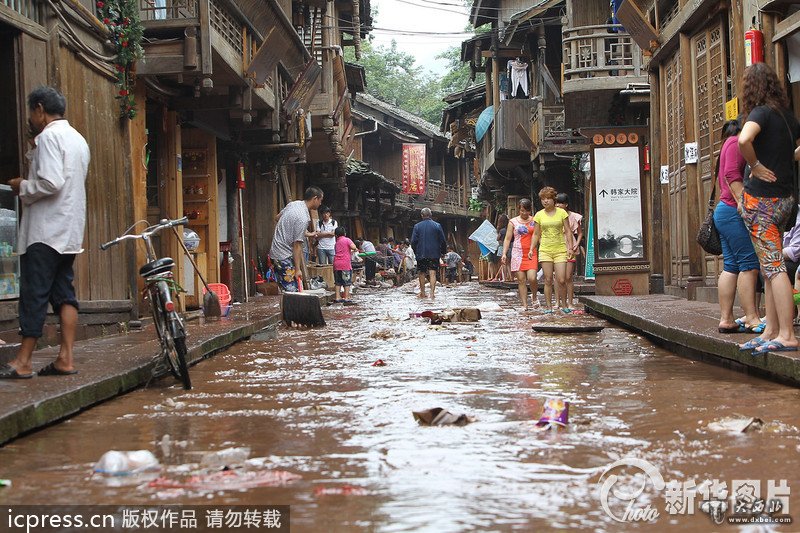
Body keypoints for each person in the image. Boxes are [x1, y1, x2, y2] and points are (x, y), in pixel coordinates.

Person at [2, 87, 90, 379]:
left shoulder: (50, 137)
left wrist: (21, 186)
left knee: (34, 295)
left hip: (45, 232)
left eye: (31, 112)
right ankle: (65, 358)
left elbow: (51, 181)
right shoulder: (77, 139)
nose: (30, 117)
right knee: (64, 294)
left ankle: (23, 361)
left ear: (39, 109)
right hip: (68, 231)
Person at [737, 63, 800, 354]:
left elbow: (743, 139)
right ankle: (771, 331)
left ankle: (786, 333)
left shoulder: (760, 113)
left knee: (774, 269)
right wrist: (786, 159)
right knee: (770, 267)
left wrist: (756, 165)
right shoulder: (787, 117)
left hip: (762, 201)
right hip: (786, 200)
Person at [712, 119, 762, 335]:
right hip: (733, 211)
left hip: (725, 211)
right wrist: (745, 206)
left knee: (732, 265)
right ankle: (751, 317)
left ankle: (726, 319)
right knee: (749, 263)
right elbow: (732, 174)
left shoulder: (727, 144)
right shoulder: (735, 143)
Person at [269, 187, 323, 292]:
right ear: (315, 198)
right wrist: (298, 269)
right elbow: (297, 246)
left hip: (276, 251)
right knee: (291, 290)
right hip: (283, 255)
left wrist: (307, 233)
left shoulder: (293, 204)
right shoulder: (303, 218)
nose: (320, 203)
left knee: (285, 288)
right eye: (320, 200)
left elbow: (277, 218)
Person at [530, 187, 574, 311]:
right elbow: (536, 234)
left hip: (560, 249)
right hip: (545, 250)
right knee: (548, 279)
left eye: (548, 198)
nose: (545, 201)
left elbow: (568, 231)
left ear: (553, 199)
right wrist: (531, 249)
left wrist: (570, 248)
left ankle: (564, 305)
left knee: (561, 279)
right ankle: (549, 307)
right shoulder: (539, 215)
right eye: (543, 199)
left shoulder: (562, 213)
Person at [501, 198, 539, 309]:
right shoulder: (513, 222)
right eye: (522, 210)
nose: (524, 213)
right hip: (517, 252)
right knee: (521, 280)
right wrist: (504, 253)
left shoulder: (535, 220)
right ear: (519, 209)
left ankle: (534, 296)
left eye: (526, 211)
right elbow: (507, 239)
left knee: (532, 278)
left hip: (531, 252)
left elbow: (537, 235)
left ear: (529, 210)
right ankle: (525, 304)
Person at [411, 207, 446, 298]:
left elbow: (413, 241)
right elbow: (442, 240)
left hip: (421, 253)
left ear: (422, 216)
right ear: (431, 215)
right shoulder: (437, 226)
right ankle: (432, 293)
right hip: (434, 253)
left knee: (421, 273)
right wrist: (443, 252)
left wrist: (416, 252)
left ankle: (422, 293)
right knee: (432, 273)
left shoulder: (417, 226)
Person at [556, 193, 583, 308]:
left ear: (566, 204)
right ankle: (558, 301)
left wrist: (576, 244)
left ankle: (570, 302)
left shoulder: (574, 217)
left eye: (560, 203)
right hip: (556, 245)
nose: (558, 205)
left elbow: (580, 233)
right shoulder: (552, 216)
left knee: (568, 277)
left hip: (570, 246)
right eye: (557, 202)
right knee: (557, 277)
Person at [333, 226, 357, 304]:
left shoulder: (336, 243)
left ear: (336, 235)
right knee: (346, 282)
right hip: (345, 265)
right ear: (344, 233)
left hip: (336, 264)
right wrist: (355, 249)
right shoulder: (347, 240)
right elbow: (353, 247)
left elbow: (342, 251)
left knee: (338, 282)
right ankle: (346, 298)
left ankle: (337, 297)